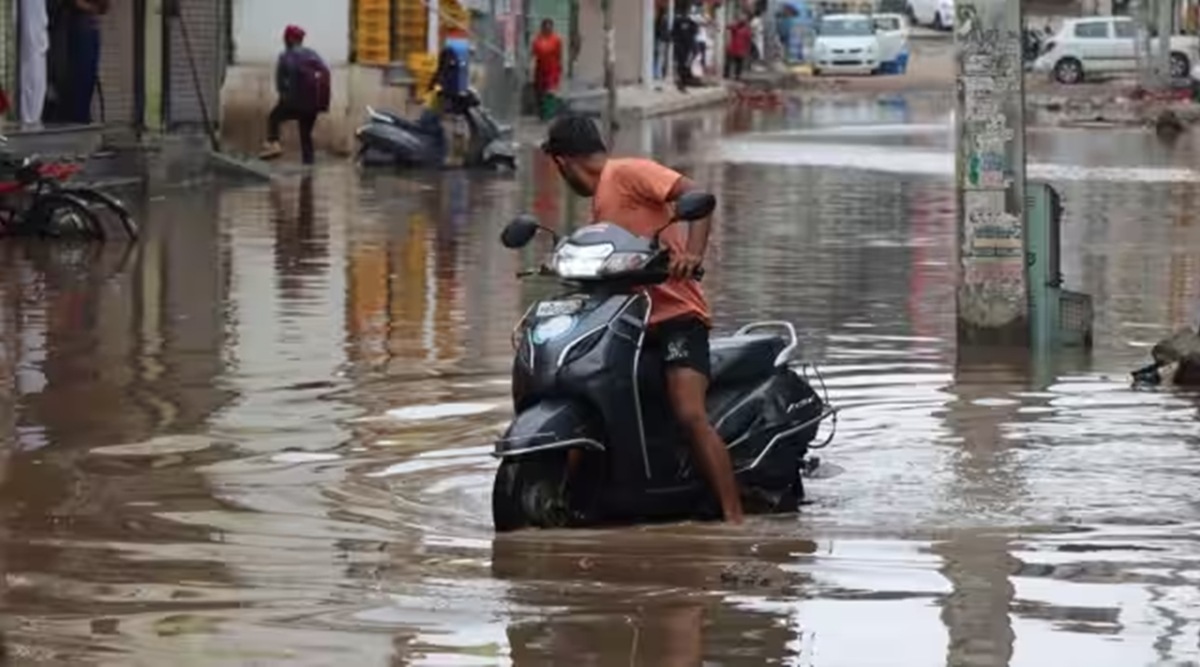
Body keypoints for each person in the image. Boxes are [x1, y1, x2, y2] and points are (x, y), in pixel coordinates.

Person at [540, 114, 744, 524]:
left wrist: (693, 254)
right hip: (628, 323)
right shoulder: (599, 206)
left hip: (677, 317)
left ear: (562, 163)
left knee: (689, 413)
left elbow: (697, 195)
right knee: (593, 396)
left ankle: (734, 518)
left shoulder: (628, 172)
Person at [260, 25, 330, 164]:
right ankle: (308, 165)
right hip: (314, 104)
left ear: (289, 39)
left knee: (274, 117)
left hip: (295, 102)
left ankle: (274, 144)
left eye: (285, 38)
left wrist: (284, 100)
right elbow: (325, 73)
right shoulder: (313, 54)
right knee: (306, 136)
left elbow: (281, 83)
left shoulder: (285, 56)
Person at [63, 0, 107, 124]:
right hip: (80, 25)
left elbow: (104, 8)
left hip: (92, 26)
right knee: (81, 73)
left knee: (90, 74)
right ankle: (78, 116)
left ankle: (84, 114)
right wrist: (90, 7)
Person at [531, 18, 564, 120]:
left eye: (550, 26)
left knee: (550, 92)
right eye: (545, 26)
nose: (547, 28)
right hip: (540, 69)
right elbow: (534, 54)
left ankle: (549, 113)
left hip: (552, 69)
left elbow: (559, 54)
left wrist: (559, 68)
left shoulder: (556, 40)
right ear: (542, 28)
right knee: (539, 92)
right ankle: (541, 113)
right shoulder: (537, 39)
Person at [671, 5, 699, 91]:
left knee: (682, 63)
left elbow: (673, 33)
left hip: (684, 46)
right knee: (682, 63)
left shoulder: (688, 22)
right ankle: (682, 81)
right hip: (684, 46)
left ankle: (683, 80)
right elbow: (694, 33)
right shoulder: (689, 22)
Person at [726, 14, 752, 80]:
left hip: (738, 49)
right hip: (734, 48)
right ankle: (732, 75)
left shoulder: (744, 29)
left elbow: (748, 40)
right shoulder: (737, 27)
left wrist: (747, 49)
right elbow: (728, 26)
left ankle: (736, 75)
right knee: (734, 63)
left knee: (737, 63)